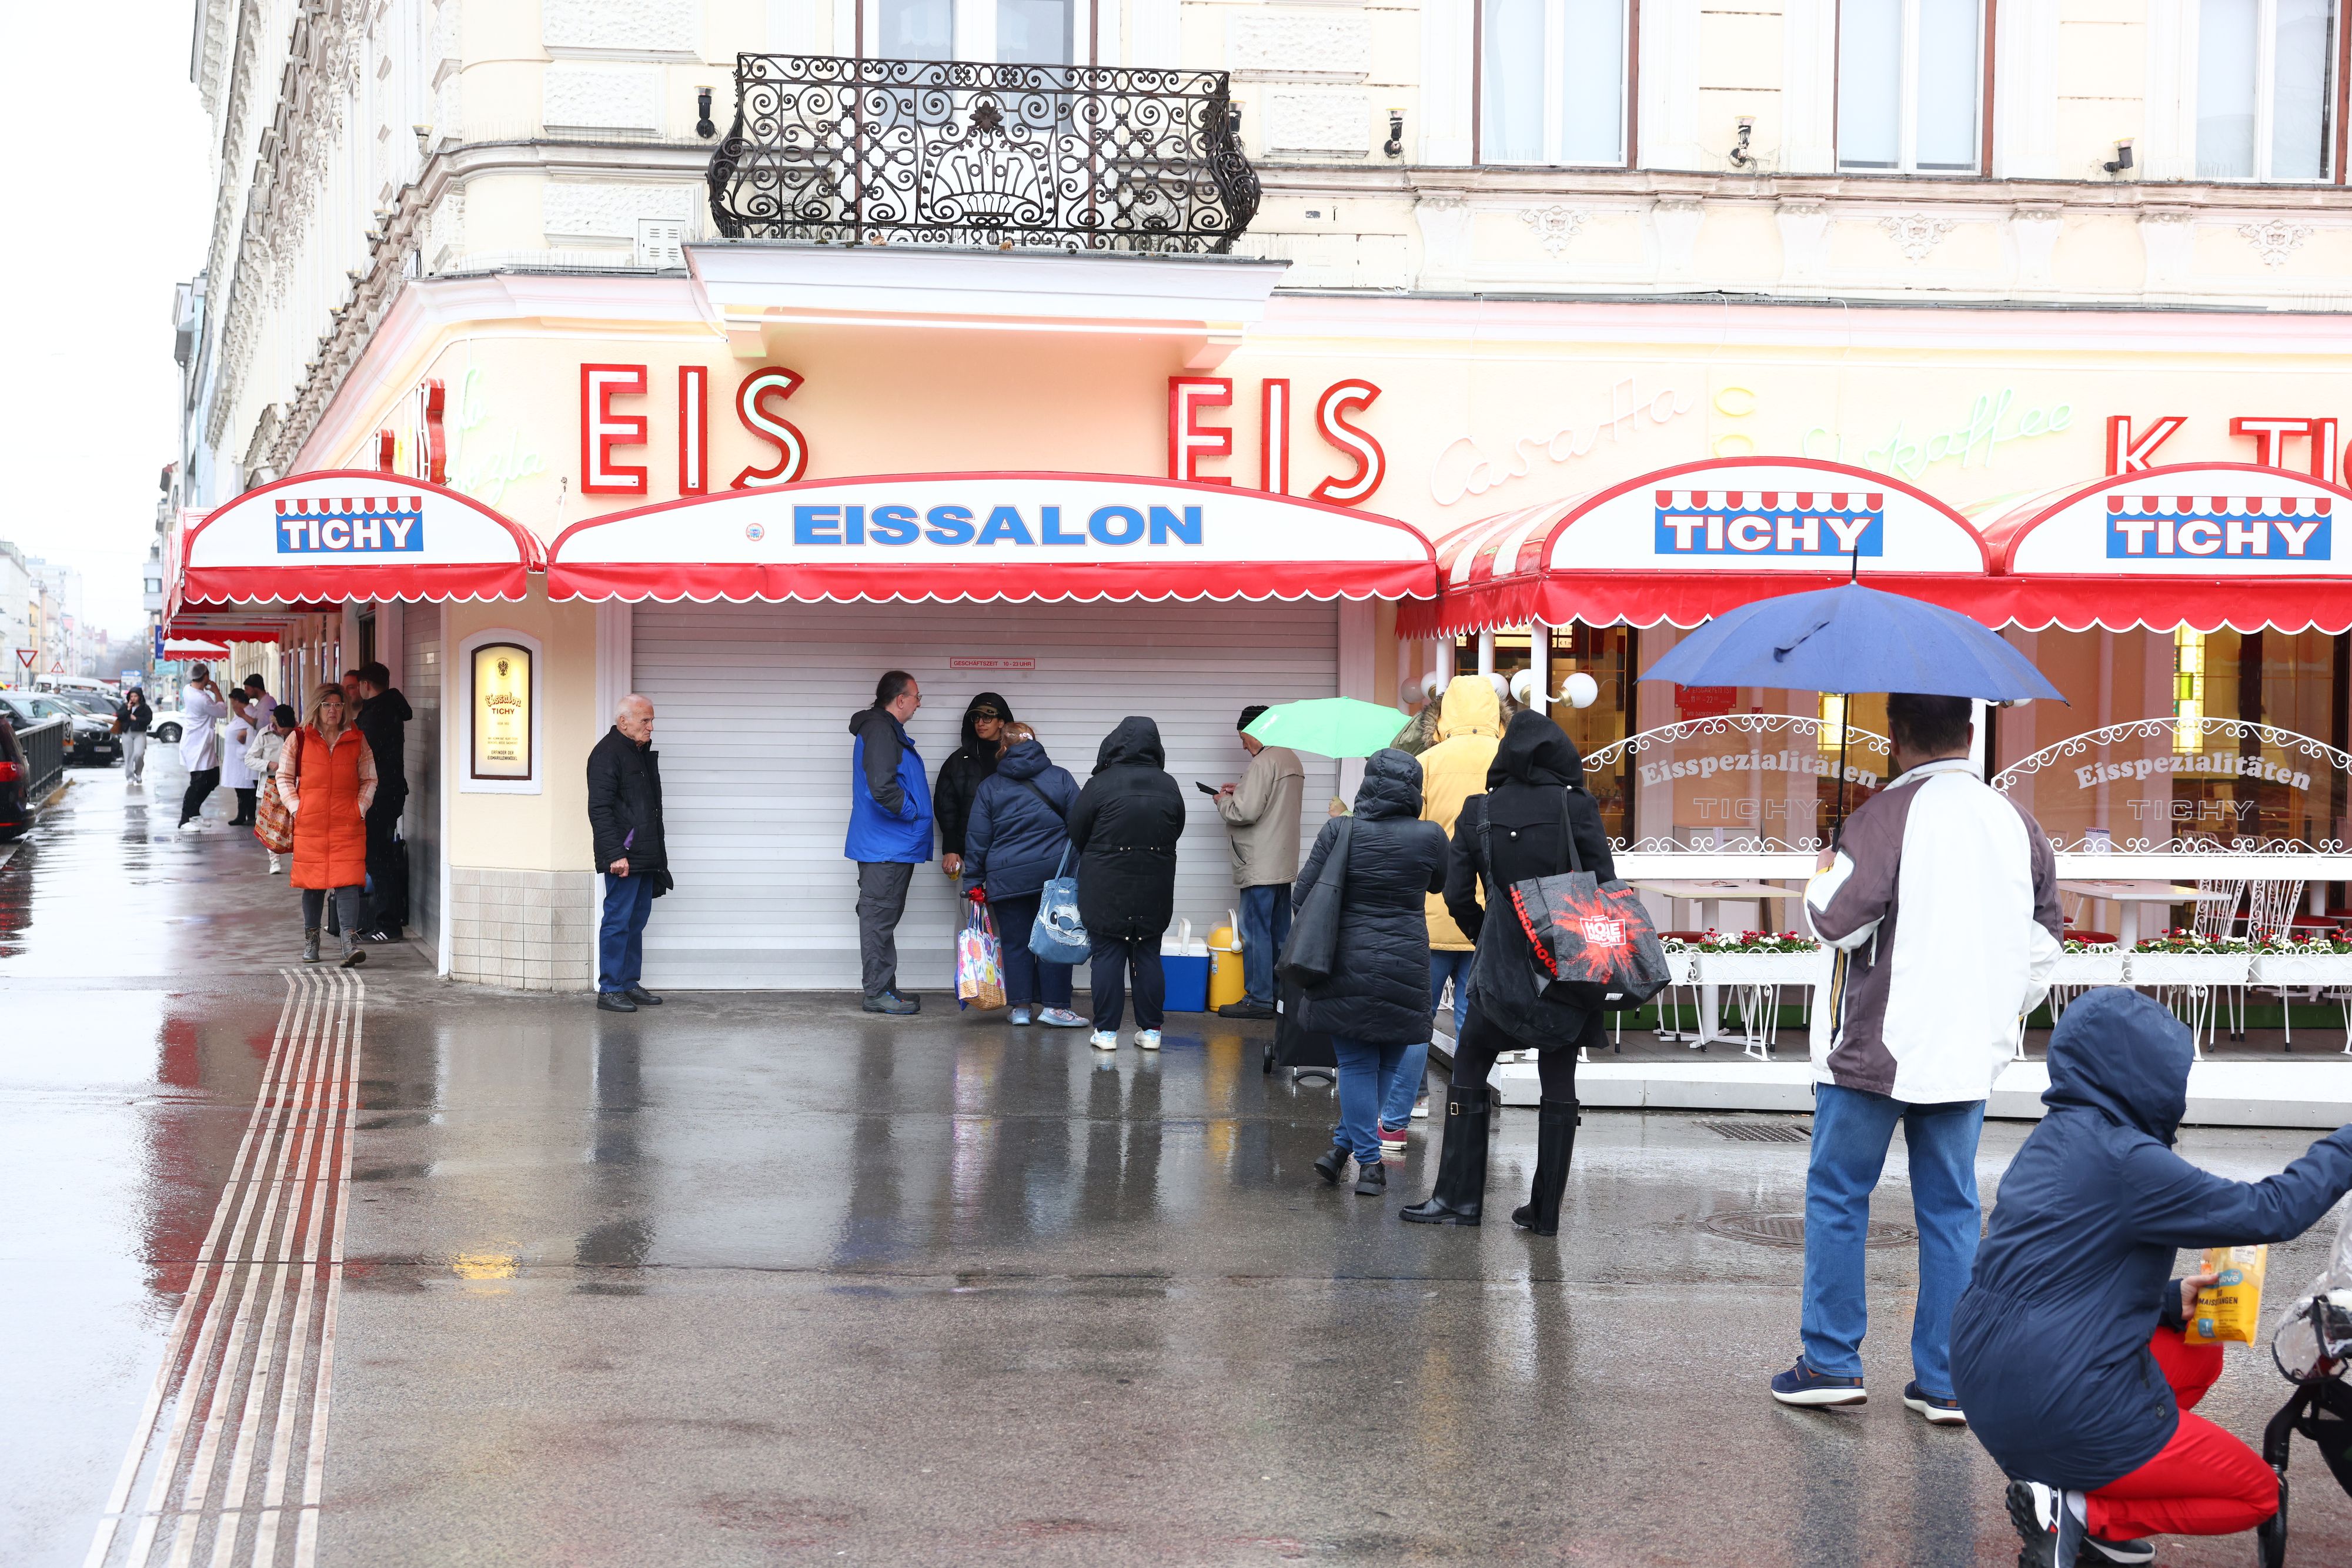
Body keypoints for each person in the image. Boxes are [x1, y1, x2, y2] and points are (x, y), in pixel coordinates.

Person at [1955, 989, 2348, 1568]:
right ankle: (2084, 1513)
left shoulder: (2055, 1138)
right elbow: (2273, 1212)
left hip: (1985, 1383)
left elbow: (2048, 1273)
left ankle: (2076, 1499)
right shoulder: (2127, 1159)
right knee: (2255, 1493)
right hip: (2057, 1399)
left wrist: (2167, 1300)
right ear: (2144, 1074)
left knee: (2199, 1354)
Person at [1768, 691, 2063, 1420]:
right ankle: (1946, 1379)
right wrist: (1997, 1017)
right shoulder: (2016, 823)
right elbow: (2045, 946)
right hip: (1966, 1053)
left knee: (1839, 1197)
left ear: (1894, 740)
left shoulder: (1880, 817)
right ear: (1968, 734)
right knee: (1952, 1209)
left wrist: (1824, 868)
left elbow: (1834, 921)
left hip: (1875, 1048)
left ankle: (1831, 1360)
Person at [1403, 708, 1616, 1234]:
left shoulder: (1481, 811)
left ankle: (1458, 1200)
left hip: (1500, 967)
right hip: (1567, 966)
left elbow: (1455, 892)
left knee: (1472, 1062)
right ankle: (1545, 1212)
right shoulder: (1577, 806)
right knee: (1559, 1072)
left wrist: (1485, 933)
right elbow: (1608, 886)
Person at [1295, 748, 1450, 1197]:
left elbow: (1302, 895)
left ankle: (1367, 1163)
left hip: (1346, 960)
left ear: (1366, 785)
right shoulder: (1431, 835)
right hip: (1406, 960)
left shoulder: (1340, 830)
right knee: (1384, 1060)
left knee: (1357, 1063)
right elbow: (1441, 883)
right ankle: (1343, 1150)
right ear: (1414, 790)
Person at [1388, 674, 1504, 1153]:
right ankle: (1473, 1108)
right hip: (1486, 915)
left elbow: (1409, 834)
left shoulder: (1426, 763)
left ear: (1446, 713)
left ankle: (1396, 1119)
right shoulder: (1506, 762)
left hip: (1431, 910)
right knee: (1474, 1022)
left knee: (1417, 1020)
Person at [1068, 717, 1185, 1052]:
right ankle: (1151, 1032)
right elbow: (1177, 828)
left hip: (1106, 885)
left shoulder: (1101, 784)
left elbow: (1077, 832)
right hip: (1155, 883)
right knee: (1147, 951)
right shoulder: (1168, 784)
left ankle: (1106, 1033)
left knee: (1107, 954)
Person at [960, 721, 1085, 1029]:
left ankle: (1020, 1008)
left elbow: (978, 838)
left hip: (1007, 878)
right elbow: (1082, 827)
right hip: (1054, 878)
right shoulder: (1061, 778)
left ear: (1003, 747)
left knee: (1015, 943)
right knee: (1056, 939)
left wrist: (973, 881)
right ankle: (1056, 1008)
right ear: (1035, 743)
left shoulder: (990, 786)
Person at [1212, 704, 1305, 1022]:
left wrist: (1224, 800)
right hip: (1282, 861)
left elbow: (1245, 813)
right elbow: (1272, 801)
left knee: (1255, 932)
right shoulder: (1290, 759)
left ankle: (1258, 998)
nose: (1243, 745)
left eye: (1243, 737)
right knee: (1280, 932)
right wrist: (1241, 790)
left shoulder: (1262, 763)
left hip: (1259, 863)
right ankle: (1280, 996)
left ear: (1256, 730)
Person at [847, 671, 932, 1015]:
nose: (918, 703)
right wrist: (913, 812)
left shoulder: (885, 729)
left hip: (890, 844)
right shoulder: (881, 730)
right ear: (900, 699)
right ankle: (878, 993)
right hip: (887, 845)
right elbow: (882, 787)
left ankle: (886, 988)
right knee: (878, 918)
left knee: (883, 917)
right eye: (916, 696)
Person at [282, 683, 376, 967]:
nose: (333, 711)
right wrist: (299, 809)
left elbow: (370, 778)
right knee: (313, 885)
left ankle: (349, 942)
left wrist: (359, 808)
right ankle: (312, 939)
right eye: (327, 705)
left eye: (338, 705)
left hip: (347, 823)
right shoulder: (299, 738)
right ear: (317, 708)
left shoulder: (357, 739)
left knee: (348, 882)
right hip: (310, 823)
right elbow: (284, 778)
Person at [587, 694, 670, 1014]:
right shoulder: (608, 754)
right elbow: (600, 808)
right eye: (645, 721)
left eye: (651, 721)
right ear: (624, 722)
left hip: (644, 852)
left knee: (637, 920)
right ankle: (609, 989)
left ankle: (628, 983)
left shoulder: (638, 753)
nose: (651, 727)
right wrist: (614, 853)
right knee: (618, 920)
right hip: (624, 855)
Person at [352, 661, 413, 941]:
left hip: (381, 795)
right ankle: (383, 920)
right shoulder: (387, 708)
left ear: (366, 685)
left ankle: (388, 925)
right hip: (390, 794)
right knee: (379, 856)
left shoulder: (377, 714)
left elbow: (363, 754)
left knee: (378, 858)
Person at [934, 692, 1013, 882]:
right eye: (976, 717)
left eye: (988, 717)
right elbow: (946, 807)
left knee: (1010, 912)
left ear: (1001, 722)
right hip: (970, 856)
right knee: (971, 912)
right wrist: (951, 848)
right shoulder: (959, 761)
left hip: (1012, 855)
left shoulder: (1017, 759)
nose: (980, 722)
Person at [177, 664, 229, 831]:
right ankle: (185, 820)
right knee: (197, 782)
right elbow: (222, 712)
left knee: (213, 778)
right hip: (197, 745)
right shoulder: (203, 699)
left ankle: (195, 812)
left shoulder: (187, 689)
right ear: (205, 677)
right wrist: (216, 690)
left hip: (201, 743)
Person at [248, 703, 295, 874]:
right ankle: (274, 861)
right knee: (272, 826)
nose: (285, 732)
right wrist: (268, 764)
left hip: (292, 785)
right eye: (283, 728)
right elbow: (249, 759)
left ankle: (297, 859)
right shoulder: (264, 735)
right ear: (275, 723)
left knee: (293, 824)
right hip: (270, 785)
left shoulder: (297, 734)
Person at [221, 691, 260, 826]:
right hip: (236, 757)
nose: (232, 706)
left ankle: (244, 815)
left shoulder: (249, 713)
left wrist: (243, 735)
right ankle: (247, 815)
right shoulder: (241, 714)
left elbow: (252, 729)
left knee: (246, 789)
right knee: (242, 789)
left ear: (238, 701)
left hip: (243, 757)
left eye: (233, 703)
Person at [119, 687, 153, 787]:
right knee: (128, 755)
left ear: (140, 697)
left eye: (135, 696)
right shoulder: (125, 706)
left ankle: (138, 773)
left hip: (140, 733)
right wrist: (128, 709)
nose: (133, 698)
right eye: (131, 696)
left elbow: (148, 720)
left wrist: (136, 719)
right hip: (127, 732)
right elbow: (120, 716)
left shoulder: (145, 708)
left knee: (139, 754)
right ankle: (130, 776)